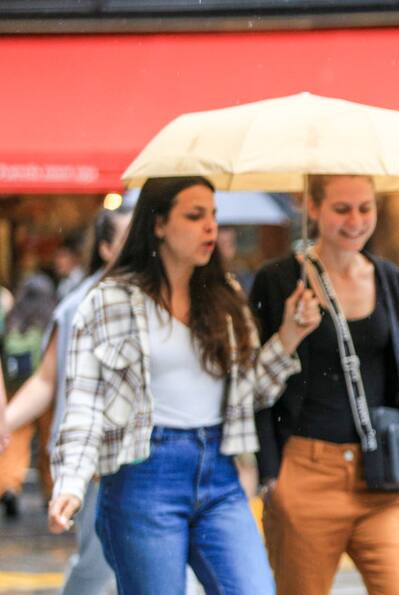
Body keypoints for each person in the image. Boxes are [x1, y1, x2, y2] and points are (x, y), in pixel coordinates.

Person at [48, 176, 319, 595]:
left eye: (213, 215)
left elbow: (250, 394)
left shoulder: (224, 296)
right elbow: (84, 403)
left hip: (219, 474)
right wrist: (70, 481)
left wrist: (289, 336)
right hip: (143, 476)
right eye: (195, 216)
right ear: (158, 224)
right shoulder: (110, 301)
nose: (211, 227)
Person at [252, 174, 399, 595]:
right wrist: (272, 474)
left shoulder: (388, 277)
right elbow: (254, 385)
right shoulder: (278, 281)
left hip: (381, 474)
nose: (356, 221)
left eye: (366, 208)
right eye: (341, 209)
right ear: (313, 208)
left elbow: (390, 374)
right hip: (306, 472)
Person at [3, 207, 130, 593]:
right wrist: (6, 422)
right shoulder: (80, 304)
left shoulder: (173, 298)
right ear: (106, 248)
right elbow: (47, 379)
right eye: (129, 237)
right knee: (98, 565)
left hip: (156, 458)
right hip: (94, 458)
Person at [0, 272, 56, 517]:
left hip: (14, 387)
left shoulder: (14, 316)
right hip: (44, 387)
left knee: (15, 441)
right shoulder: (51, 316)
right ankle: (53, 491)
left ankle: (9, 486)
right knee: (49, 441)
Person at [54, 233, 86, 301]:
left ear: (75, 257)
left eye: (62, 256)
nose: (58, 261)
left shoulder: (81, 280)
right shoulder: (65, 283)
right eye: (57, 256)